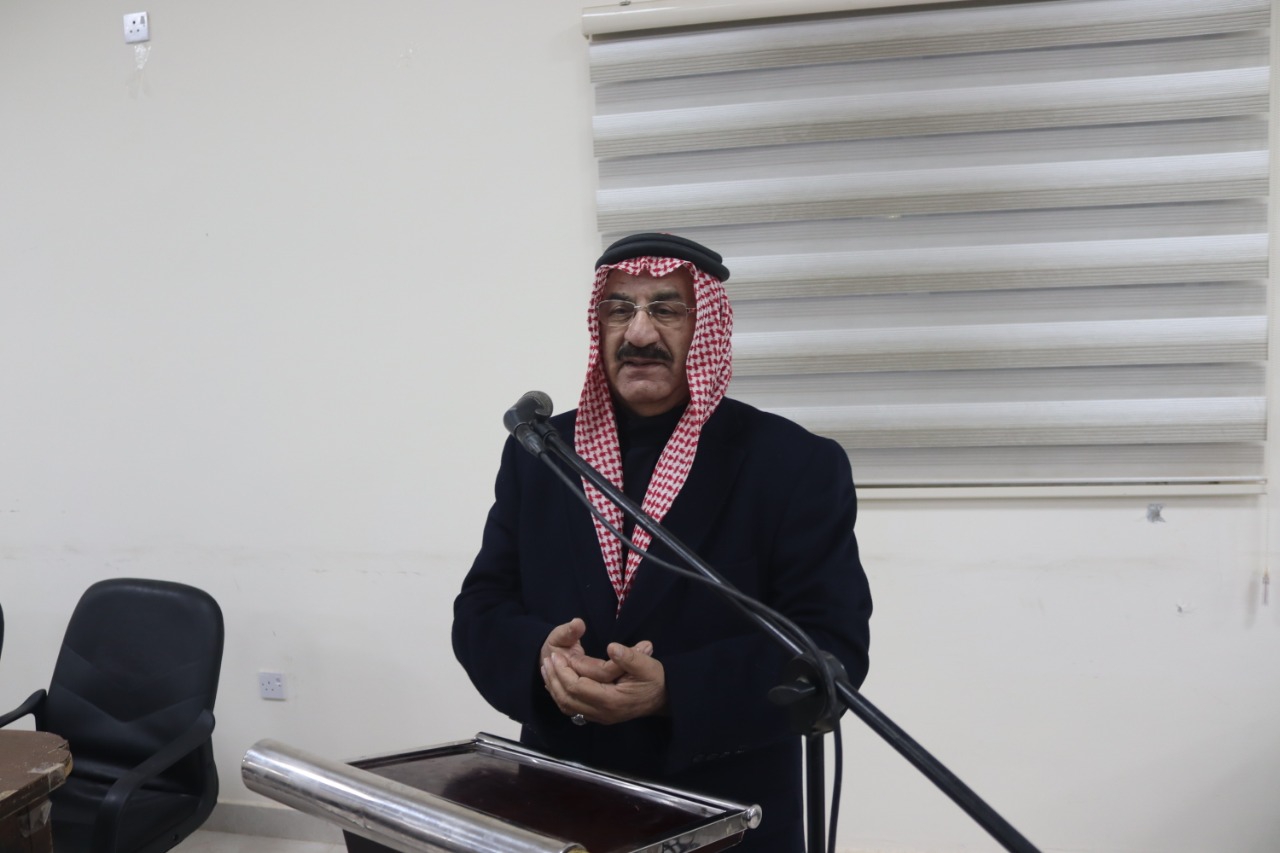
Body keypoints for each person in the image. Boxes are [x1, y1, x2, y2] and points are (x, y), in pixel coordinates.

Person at [452, 232, 872, 853]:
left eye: (667, 310)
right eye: (619, 309)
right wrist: (540, 658)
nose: (639, 333)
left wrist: (675, 689)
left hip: (726, 818)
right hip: (562, 805)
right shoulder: (541, 453)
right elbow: (481, 609)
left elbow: (832, 647)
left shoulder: (793, 464)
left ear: (707, 330)